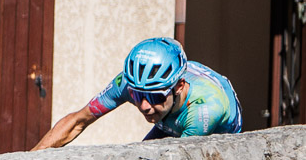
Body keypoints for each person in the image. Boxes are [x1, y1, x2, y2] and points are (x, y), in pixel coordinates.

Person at [32, 37, 242, 150]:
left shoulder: (205, 109)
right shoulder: (129, 81)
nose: (144, 106)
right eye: (137, 96)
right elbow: (78, 120)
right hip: (171, 116)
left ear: (179, 87)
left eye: (155, 97)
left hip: (209, 129)